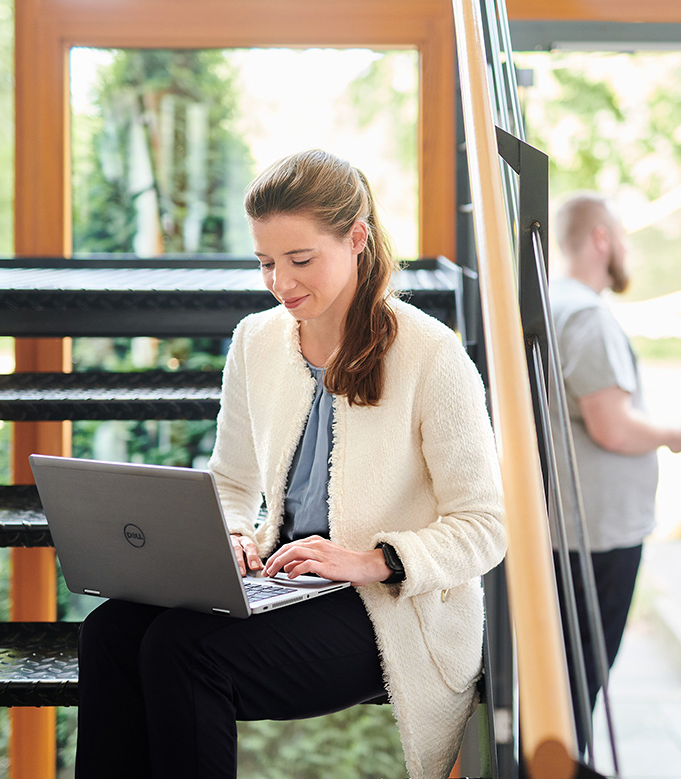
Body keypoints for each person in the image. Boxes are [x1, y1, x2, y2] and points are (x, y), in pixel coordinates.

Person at [75, 149, 507, 779]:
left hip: (386, 606)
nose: (281, 282)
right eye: (266, 263)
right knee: (110, 633)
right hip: (281, 581)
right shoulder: (256, 340)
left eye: (300, 260)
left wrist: (369, 561)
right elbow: (230, 481)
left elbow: (485, 525)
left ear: (356, 238)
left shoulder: (431, 355)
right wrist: (228, 534)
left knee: (182, 650)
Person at [548, 192, 681, 750]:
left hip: (569, 528)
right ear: (601, 239)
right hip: (597, 536)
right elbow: (612, 426)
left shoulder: (548, 303)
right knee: (579, 686)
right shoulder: (586, 315)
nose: (627, 247)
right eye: (623, 235)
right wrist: (673, 434)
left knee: (564, 682)